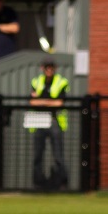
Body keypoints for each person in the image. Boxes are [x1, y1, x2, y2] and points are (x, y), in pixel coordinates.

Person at [29, 59, 69, 191]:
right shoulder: (36, 81)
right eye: (47, 67)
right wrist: (49, 101)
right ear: (42, 68)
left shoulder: (61, 81)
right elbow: (32, 102)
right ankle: (38, 183)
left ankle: (60, 183)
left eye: (51, 67)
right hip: (39, 120)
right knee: (37, 154)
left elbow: (59, 103)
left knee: (58, 154)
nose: (49, 70)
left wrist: (41, 101)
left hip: (54, 120)